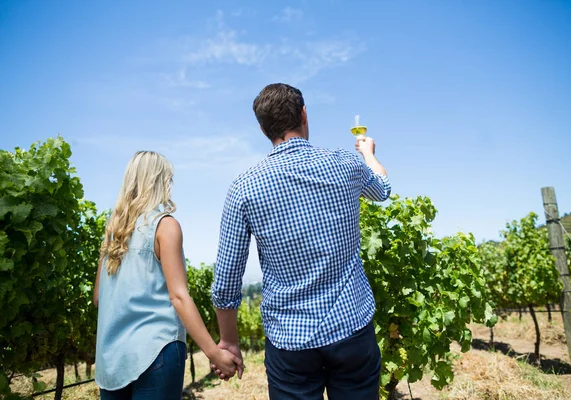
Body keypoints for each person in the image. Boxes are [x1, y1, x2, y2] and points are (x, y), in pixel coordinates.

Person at [211, 83, 391, 399]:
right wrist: (368, 154)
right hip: (351, 329)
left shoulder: (243, 189)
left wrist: (229, 342)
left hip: (289, 343)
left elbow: (226, 281)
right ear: (304, 115)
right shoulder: (346, 165)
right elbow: (382, 190)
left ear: (264, 128)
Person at [94, 151, 242, 400]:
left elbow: (99, 297)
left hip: (112, 360)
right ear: (159, 182)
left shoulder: (112, 232)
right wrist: (214, 354)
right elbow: (179, 296)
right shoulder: (164, 226)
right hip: (157, 351)